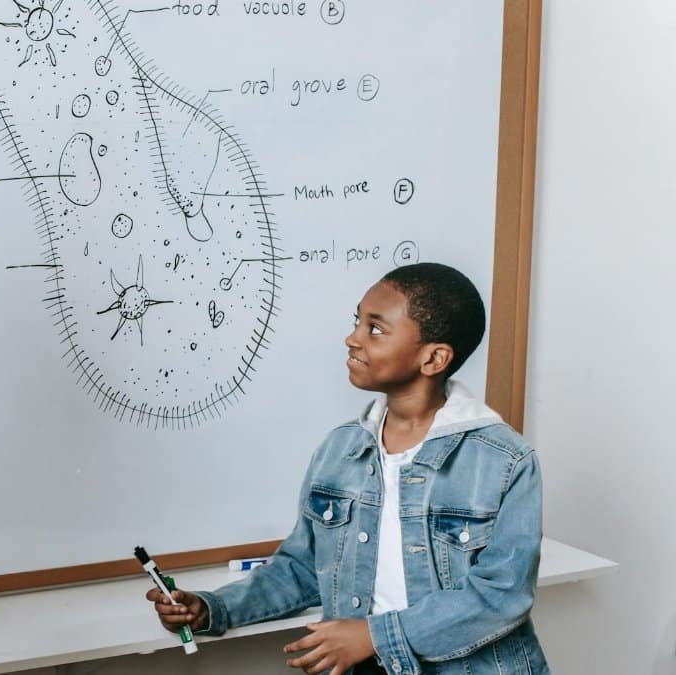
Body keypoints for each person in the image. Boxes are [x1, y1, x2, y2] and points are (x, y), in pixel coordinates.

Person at [147, 263, 549, 674]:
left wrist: (375, 635)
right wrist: (213, 608)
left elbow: (501, 596)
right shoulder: (341, 448)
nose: (353, 338)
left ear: (433, 358)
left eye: (375, 329)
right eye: (357, 320)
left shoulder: (504, 460)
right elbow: (302, 566)